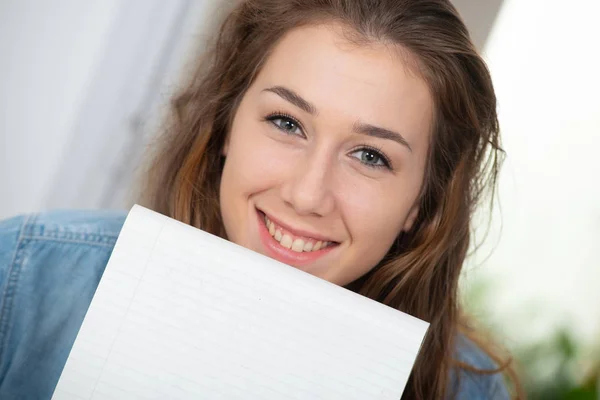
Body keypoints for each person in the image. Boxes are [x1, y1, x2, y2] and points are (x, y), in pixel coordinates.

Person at [0, 0, 519, 398]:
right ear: (226, 125)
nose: (307, 194)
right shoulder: (23, 279)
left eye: (370, 156)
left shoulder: (466, 391)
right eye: (286, 123)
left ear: (420, 205)